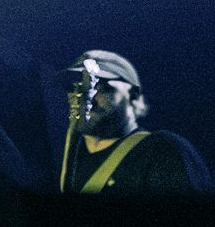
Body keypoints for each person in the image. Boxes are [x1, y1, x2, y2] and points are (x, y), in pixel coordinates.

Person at [58, 49, 212, 195]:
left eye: (101, 87)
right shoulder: (68, 160)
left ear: (133, 95)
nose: (83, 97)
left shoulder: (162, 151)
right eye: (74, 87)